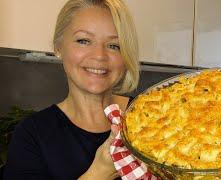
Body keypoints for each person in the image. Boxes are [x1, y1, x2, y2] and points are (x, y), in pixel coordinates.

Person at [3, 0, 139, 179]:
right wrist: (99, 172)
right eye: (84, 41)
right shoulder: (32, 135)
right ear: (58, 47)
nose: (99, 56)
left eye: (114, 45)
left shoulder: (151, 118)